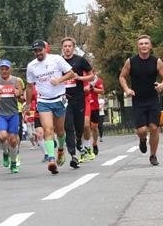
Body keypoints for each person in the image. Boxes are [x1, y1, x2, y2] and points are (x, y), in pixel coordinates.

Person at [119, 35, 163, 166]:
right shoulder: (131, 61)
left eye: (146, 43)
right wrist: (127, 89)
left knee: (154, 128)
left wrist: (161, 86)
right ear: (138, 46)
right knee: (142, 130)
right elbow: (122, 77)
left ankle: (153, 155)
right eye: (141, 44)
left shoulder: (157, 61)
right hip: (138, 100)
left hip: (152, 99)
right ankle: (142, 140)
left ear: (150, 46)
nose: (143, 46)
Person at [26, 40, 76, 174]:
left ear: (45, 49)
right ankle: (51, 160)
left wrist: (59, 80)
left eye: (40, 50)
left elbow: (71, 73)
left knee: (60, 131)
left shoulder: (56, 59)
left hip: (59, 99)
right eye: (35, 51)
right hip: (43, 101)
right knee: (48, 129)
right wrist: (27, 103)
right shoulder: (31, 66)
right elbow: (30, 86)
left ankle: (60, 149)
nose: (38, 53)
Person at [61, 37, 94, 168]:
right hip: (64, 98)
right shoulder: (59, 62)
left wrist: (79, 77)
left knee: (79, 126)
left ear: (73, 48)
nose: (67, 48)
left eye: (69, 46)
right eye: (65, 46)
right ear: (62, 48)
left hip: (79, 97)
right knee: (68, 125)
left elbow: (92, 75)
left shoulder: (80, 61)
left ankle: (79, 141)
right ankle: (73, 155)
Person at [0, 59, 24, 173]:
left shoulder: (16, 81)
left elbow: (22, 99)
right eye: (2, 69)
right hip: (1, 114)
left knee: (13, 140)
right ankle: (5, 153)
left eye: (6, 68)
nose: (4, 71)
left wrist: (19, 95)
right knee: (2, 136)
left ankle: (14, 163)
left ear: (10, 69)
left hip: (13, 113)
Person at [85, 73, 105, 156]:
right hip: (85, 106)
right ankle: (87, 146)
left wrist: (93, 88)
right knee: (85, 127)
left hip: (94, 107)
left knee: (94, 127)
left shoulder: (97, 80)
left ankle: (94, 143)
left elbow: (102, 91)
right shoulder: (82, 80)